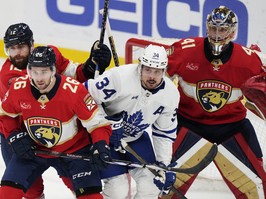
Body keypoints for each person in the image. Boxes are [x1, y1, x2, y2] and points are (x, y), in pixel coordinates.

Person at [165, 5, 266, 198]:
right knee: (164, 186)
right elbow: (154, 78)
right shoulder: (184, 51)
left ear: (233, 32)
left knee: (258, 189)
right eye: (213, 28)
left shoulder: (249, 60)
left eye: (223, 29)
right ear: (207, 28)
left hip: (232, 128)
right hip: (188, 125)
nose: (217, 34)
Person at [0, 23, 111, 198]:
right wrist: (13, 135)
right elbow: (8, 114)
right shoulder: (11, 78)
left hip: (67, 139)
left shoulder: (52, 56)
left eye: (20, 47)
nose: (17, 54)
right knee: (30, 190)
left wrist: (91, 65)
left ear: (32, 44)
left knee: (84, 189)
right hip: (25, 137)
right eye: (11, 49)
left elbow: (74, 75)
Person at [84, 44, 180, 199]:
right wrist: (105, 123)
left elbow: (164, 133)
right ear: (140, 66)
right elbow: (84, 96)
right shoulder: (119, 78)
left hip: (135, 139)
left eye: (157, 72)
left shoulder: (170, 95)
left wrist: (164, 165)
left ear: (164, 71)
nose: (151, 76)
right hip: (106, 139)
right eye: (148, 69)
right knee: (118, 189)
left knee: (152, 184)